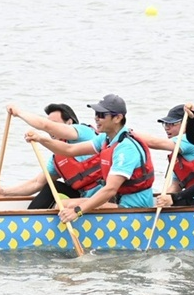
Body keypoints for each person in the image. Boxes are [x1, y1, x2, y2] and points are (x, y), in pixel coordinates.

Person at [27, 94, 155, 221]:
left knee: (68, 206)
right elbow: (69, 150)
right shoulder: (105, 139)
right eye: (95, 114)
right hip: (119, 200)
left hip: (133, 208)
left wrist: (77, 212)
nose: (96, 118)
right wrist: (41, 139)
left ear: (117, 118)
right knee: (62, 205)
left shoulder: (126, 148)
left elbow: (110, 189)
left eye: (101, 115)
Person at [0, 103, 103, 210]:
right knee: (53, 186)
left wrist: (19, 112)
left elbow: (46, 126)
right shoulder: (57, 159)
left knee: (57, 195)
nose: (51, 129)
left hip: (104, 197)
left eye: (54, 123)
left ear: (69, 122)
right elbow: (36, 183)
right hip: (84, 197)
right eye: (49, 122)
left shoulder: (83, 132)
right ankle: (31, 220)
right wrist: (4, 192)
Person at [133, 103, 194, 204]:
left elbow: (154, 143)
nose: (167, 128)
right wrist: (161, 201)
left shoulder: (188, 140)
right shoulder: (178, 152)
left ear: (185, 123)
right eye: (166, 124)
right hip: (192, 197)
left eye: (172, 124)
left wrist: (127, 133)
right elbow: (176, 186)